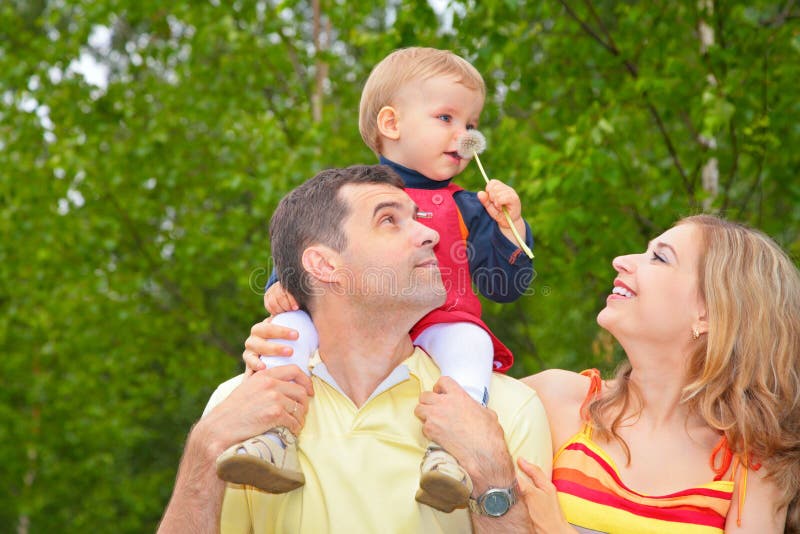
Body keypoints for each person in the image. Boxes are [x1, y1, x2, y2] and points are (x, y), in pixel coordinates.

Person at [245, 214, 800, 533]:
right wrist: (290, 350)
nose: (622, 261)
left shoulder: (757, 462)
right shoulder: (554, 404)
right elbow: (388, 377)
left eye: (659, 258)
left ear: (711, 313)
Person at [218, 46, 535, 513]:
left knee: (473, 344)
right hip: (350, 325)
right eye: (446, 117)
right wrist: (280, 282)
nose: (464, 134)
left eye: (470, 124)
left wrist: (512, 231)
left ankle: (452, 451)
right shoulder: (352, 197)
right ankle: (270, 435)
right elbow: (308, 242)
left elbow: (504, 288)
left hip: (443, 322)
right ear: (391, 124)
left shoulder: (471, 207)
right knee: (291, 331)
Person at [158, 165, 552, 533]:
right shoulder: (240, 407)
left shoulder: (508, 409)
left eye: (416, 217)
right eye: (389, 220)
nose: (430, 234)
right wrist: (204, 449)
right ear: (324, 265)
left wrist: (494, 482)